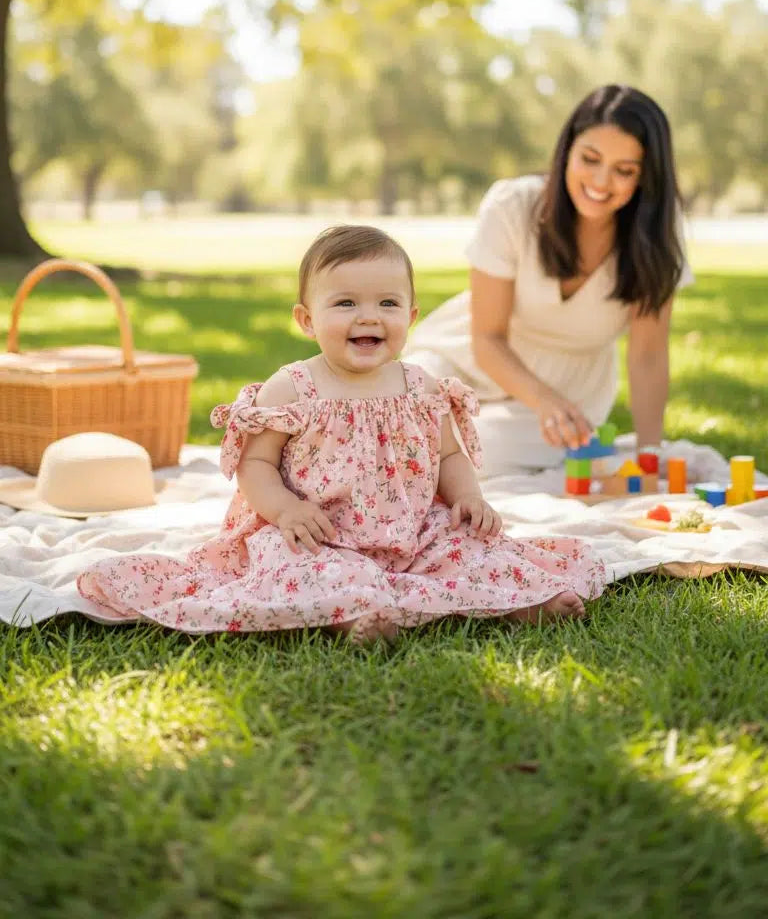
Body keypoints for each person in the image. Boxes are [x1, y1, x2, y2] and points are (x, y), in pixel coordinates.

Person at [77, 225, 605, 641]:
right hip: (319, 533)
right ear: (307, 319)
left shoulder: (422, 387)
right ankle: (351, 616)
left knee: (474, 549)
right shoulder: (293, 388)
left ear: (411, 316)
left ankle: (519, 603)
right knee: (305, 569)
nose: (368, 317)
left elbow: (449, 455)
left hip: (412, 532)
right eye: (346, 303)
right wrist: (286, 511)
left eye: (387, 304)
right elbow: (254, 465)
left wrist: (468, 496)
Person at [406, 84, 691, 478]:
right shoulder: (512, 206)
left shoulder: (659, 232)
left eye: (624, 170)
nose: (601, 181)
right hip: (467, 358)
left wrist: (649, 454)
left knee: (465, 453)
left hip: (566, 396)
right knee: (398, 418)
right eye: (590, 159)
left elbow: (648, 355)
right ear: (567, 150)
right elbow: (487, 337)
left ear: (646, 177)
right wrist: (542, 398)